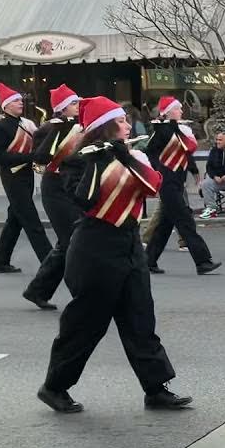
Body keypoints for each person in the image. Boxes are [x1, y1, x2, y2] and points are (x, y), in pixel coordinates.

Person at [37, 96, 190, 413]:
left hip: (130, 244)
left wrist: (126, 158)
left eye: (125, 120)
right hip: (94, 247)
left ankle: (155, 388)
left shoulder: (135, 155)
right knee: (85, 324)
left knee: (140, 319)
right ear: (104, 127)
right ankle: (54, 387)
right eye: (120, 121)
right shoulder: (77, 160)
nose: (127, 125)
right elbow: (86, 201)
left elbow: (153, 187)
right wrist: (98, 161)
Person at [22, 84, 84, 310]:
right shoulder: (48, 129)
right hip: (55, 189)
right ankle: (80, 293)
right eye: (74, 103)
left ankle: (37, 290)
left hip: (74, 187)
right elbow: (39, 158)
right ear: (63, 108)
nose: (78, 106)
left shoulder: (81, 127)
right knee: (71, 242)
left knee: (66, 243)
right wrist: (57, 131)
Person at [145, 96, 221, 275]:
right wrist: (158, 172)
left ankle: (147, 261)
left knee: (164, 226)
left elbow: (187, 151)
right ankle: (203, 261)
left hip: (177, 182)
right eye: (177, 108)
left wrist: (194, 171)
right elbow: (150, 152)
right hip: (167, 183)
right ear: (169, 112)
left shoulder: (180, 130)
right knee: (185, 221)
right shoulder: (161, 131)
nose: (181, 111)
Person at [0, 83, 53, 274]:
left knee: (15, 220)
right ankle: (50, 262)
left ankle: (0, 261)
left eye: (20, 100)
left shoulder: (27, 123)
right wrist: (29, 157)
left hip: (26, 174)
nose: (20, 102)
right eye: (16, 100)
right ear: (6, 105)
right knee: (31, 220)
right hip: (12, 176)